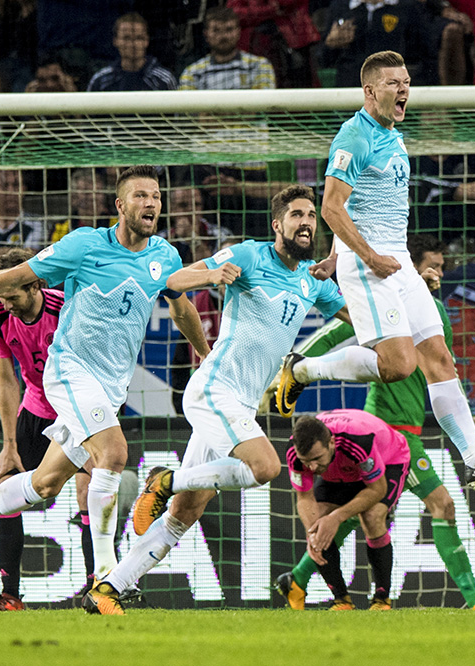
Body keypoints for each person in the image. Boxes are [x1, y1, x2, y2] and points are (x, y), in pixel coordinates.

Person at [79, 185, 348, 615]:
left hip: (239, 405)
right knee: (265, 467)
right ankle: (165, 481)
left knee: (184, 516)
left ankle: (108, 589)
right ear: (277, 225)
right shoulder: (248, 255)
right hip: (213, 391)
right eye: (297, 215)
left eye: (312, 216)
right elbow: (172, 280)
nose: (306, 223)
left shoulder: (312, 280)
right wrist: (211, 274)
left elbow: (357, 315)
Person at [0, 166, 210, 591]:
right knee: (115, 454)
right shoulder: (84, 245)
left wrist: (205, 353)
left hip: (110, 386)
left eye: (156, 196)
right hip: (68, 371)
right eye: (141, 195)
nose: (152, 203)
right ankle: (108, 576)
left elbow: (181, 308)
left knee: (45, 483)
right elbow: (17, 276)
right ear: (120, 206)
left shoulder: (165, 256)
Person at [277, 50, 475, 489]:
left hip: (397, 262)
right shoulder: (354, 137)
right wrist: (362, 258)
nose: (404, 90)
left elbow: (361, 208)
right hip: (370, 265)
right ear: (370, 90)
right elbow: (332, 207)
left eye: (407, 82)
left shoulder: (393, 135)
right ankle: (302, 369)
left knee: (440, 358)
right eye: (394, 83)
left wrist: (340, 253)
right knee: (398, 365)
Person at [271, 234, 475, 611]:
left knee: (364, 513)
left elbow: (443, 375)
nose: (438, 273)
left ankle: (296, 579)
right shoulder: (386, 308)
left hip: (410, 431)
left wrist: (472, 429)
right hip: (384, 433)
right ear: (407, 266)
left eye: (442, 267)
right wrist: (291, 366)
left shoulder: (433, 316)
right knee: (440, 505)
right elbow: (336, 331)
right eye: (431, 264)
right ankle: (474, 599)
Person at [0, 247, 94, 611]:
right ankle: (9, 596)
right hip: (34, 410)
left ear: (35, 286)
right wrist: (9, 445)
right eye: (2, 296)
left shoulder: (67, 308)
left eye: (13, 295)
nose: (7, 303)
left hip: (75, 410)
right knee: (7, 490)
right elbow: (6, 380)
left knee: (89, 493)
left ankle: (100, 589)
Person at [287, 409, 412, 610]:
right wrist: (313, 535)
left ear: (331, 442)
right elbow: (304, 498)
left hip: (389, 461)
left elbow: (377, 489)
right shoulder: (295, 453)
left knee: (372, 516)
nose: (311, 467)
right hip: (340, 471)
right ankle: (341, 601)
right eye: (306, 461)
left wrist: (337, 517)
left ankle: (382, 600)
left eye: (317, 458)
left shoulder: (357, 440)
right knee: (317, 527)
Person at [178, 7, 276, 91]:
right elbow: (187, 112)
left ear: (238, 32)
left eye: (229, 29)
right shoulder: (193, 73)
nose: (223, 36)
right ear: (206, 34)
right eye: (216, 30)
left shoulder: (259, 66)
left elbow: (263, 109)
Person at [86, 13, 177, 92]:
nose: (133, 44)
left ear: (147, 41)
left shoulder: (164, 80)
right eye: (126, 38)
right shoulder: (100, 80)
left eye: (139, 38)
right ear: (115, 41)